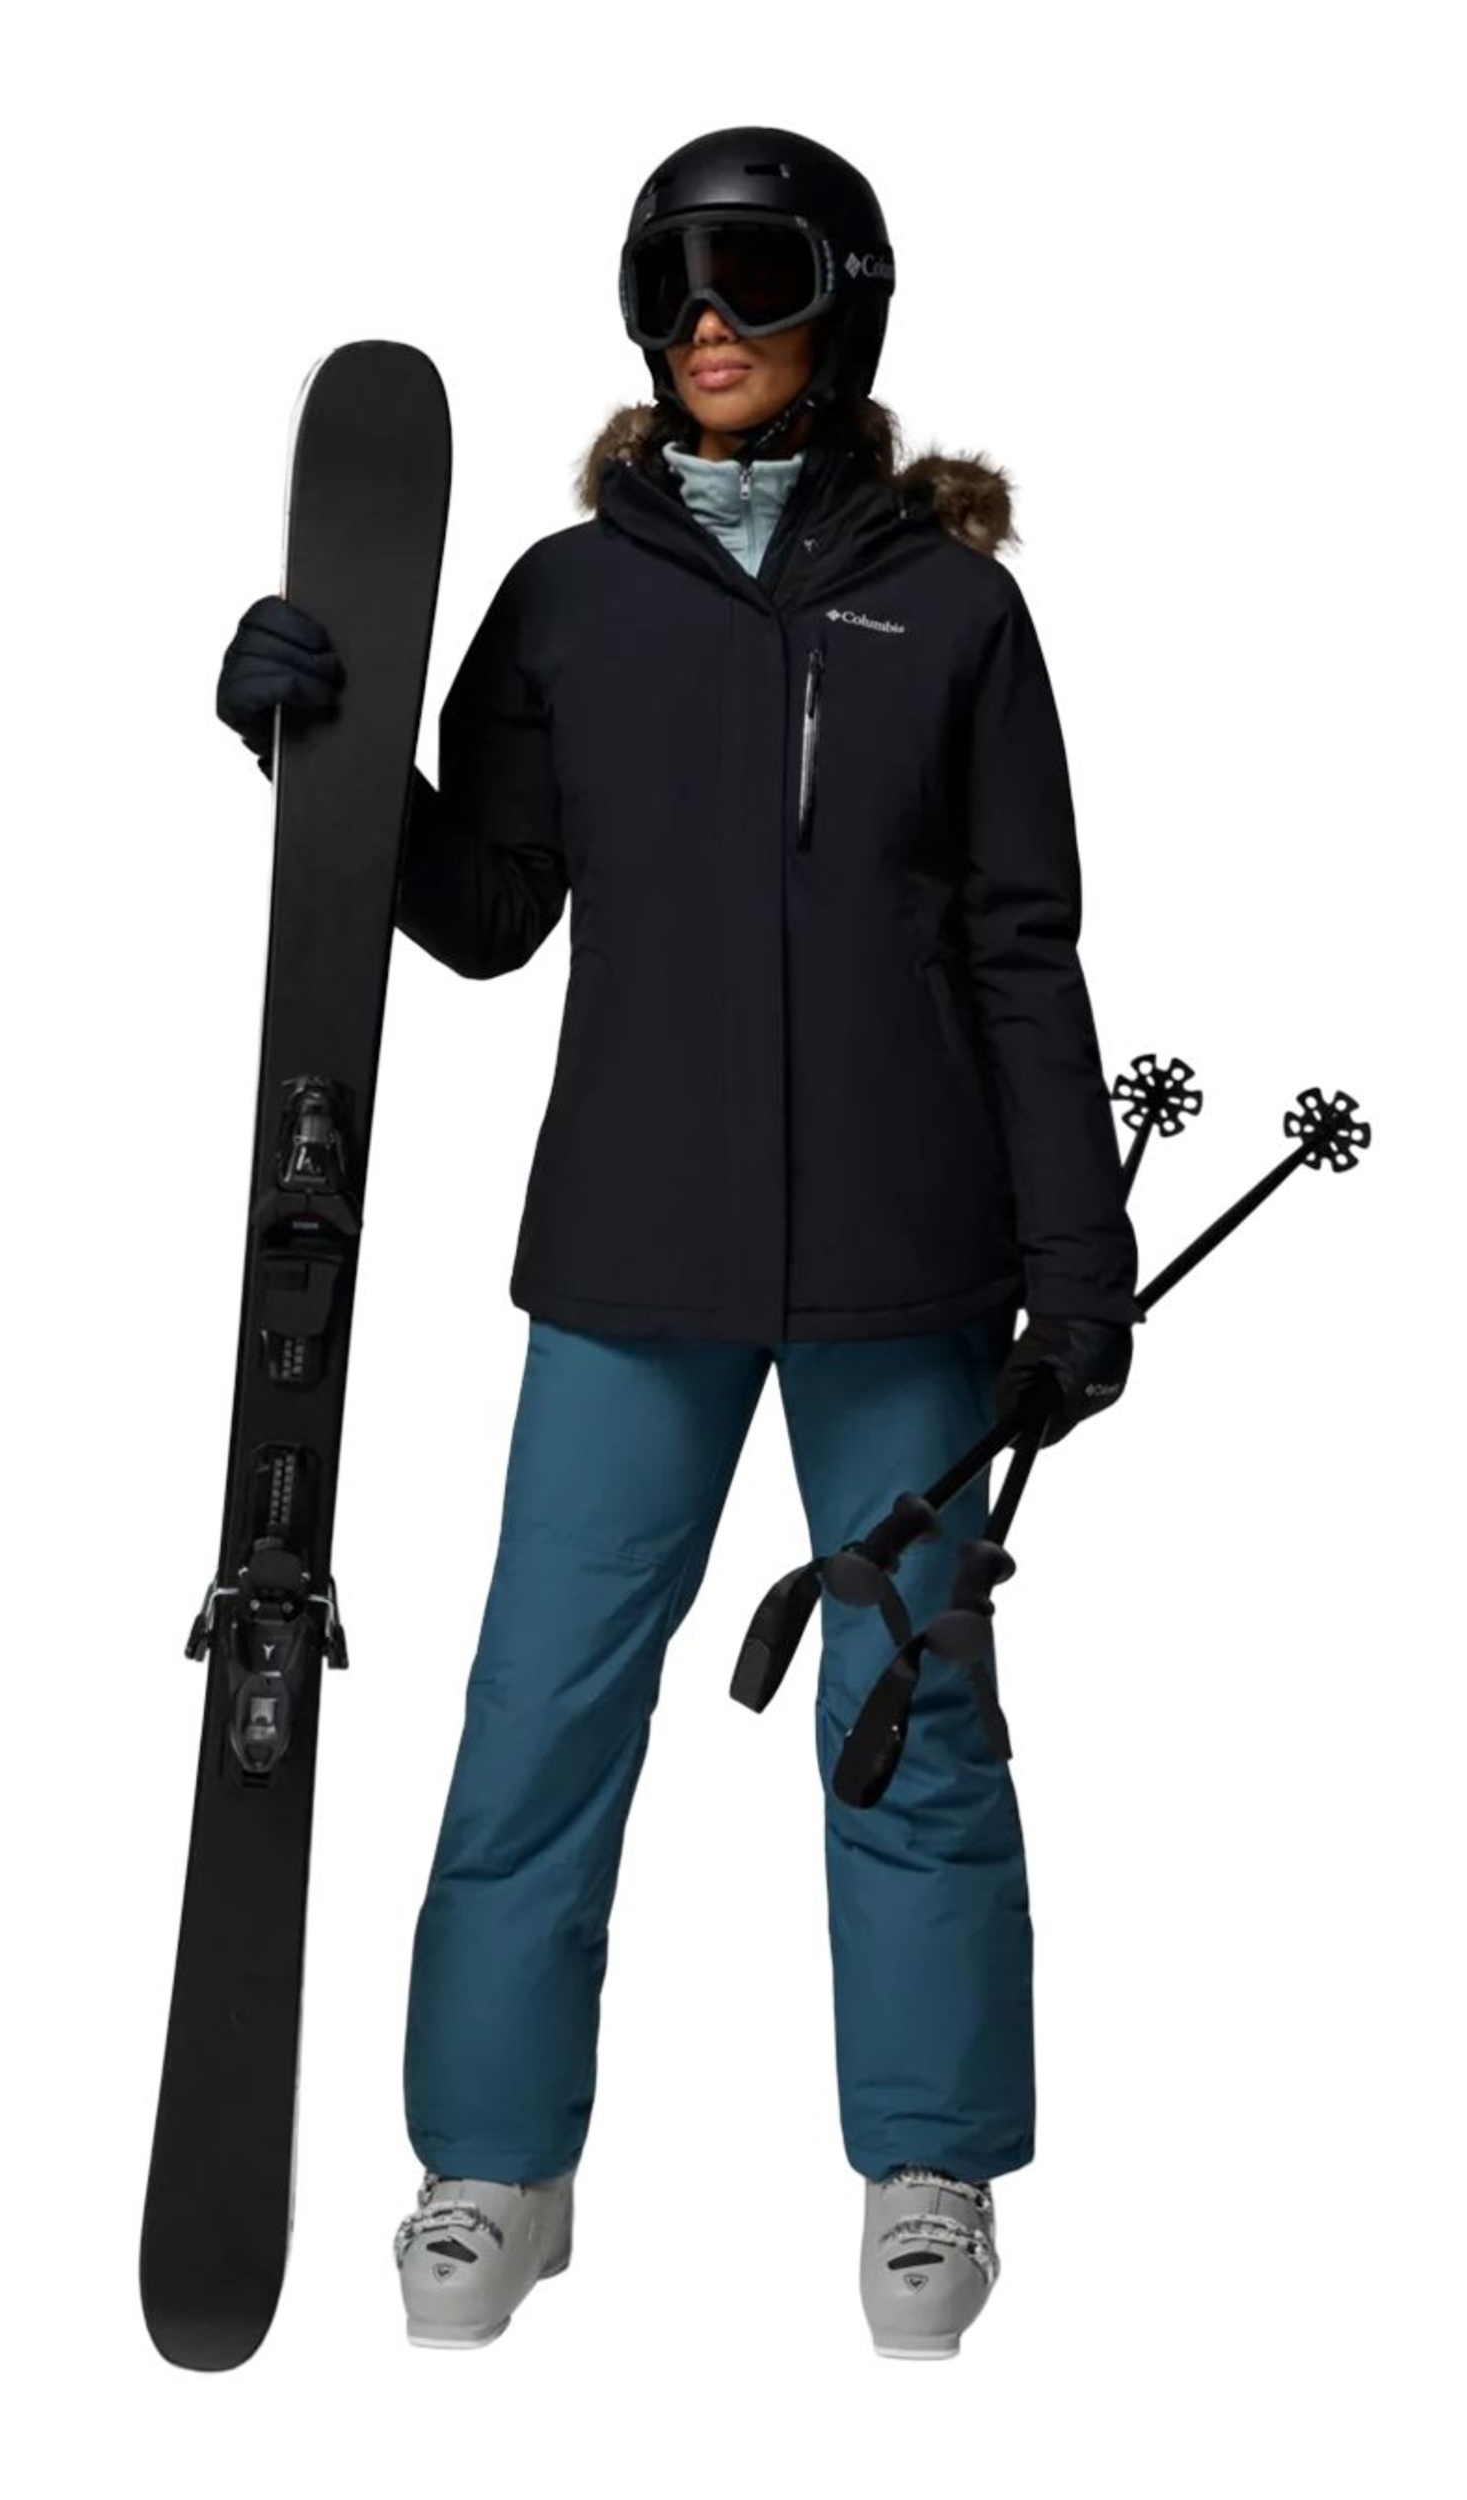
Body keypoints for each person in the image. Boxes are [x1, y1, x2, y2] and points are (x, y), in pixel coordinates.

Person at [213, 125, 1139, 2359]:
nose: (705, 320)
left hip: (906, 1260)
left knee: (911, 1715)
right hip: (633, 1255)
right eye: (667, 284)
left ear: (847, 304)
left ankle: (929, 2168)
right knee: (543, 1708)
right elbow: (482, 912)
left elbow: (1022, 952)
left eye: (751, 274)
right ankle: (491, 2164)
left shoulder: (954, 611)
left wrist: (1076, 1252)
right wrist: (325, 760)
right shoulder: (567, 598)